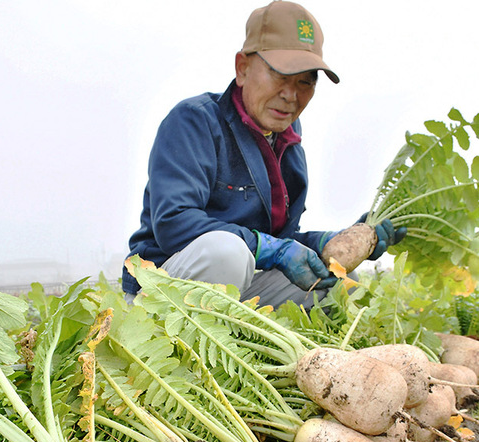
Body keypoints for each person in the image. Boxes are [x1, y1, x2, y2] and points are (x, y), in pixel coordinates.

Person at [122, 0, 406, 307]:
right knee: (227, 254)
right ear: (242, 68)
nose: (291, 95)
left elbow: (281, 242)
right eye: (280, 76)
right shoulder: (195, 121)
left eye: (305, 82)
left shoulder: (289, 146)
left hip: (234, 290)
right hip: (163, 290)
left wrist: (340, 240)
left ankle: (242, 338)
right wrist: (271, 249)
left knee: (341, 287)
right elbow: (174, 223)